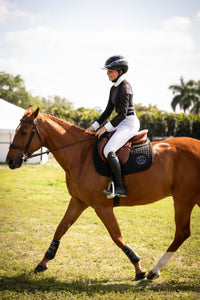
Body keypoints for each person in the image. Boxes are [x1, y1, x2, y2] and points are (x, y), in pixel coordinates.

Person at [87, 55, 140, 198]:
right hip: (120, 122)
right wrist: (94, 126)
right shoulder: (113, 88)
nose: (107, 74)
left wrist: (105, 127)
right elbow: (108, 111)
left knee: (109, 149)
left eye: (111, 71)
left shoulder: (125, 87)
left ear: (120, 72)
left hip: (129, 123)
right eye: (108, 71)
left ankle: (120, 187)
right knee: (99, 140)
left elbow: (123, 113)